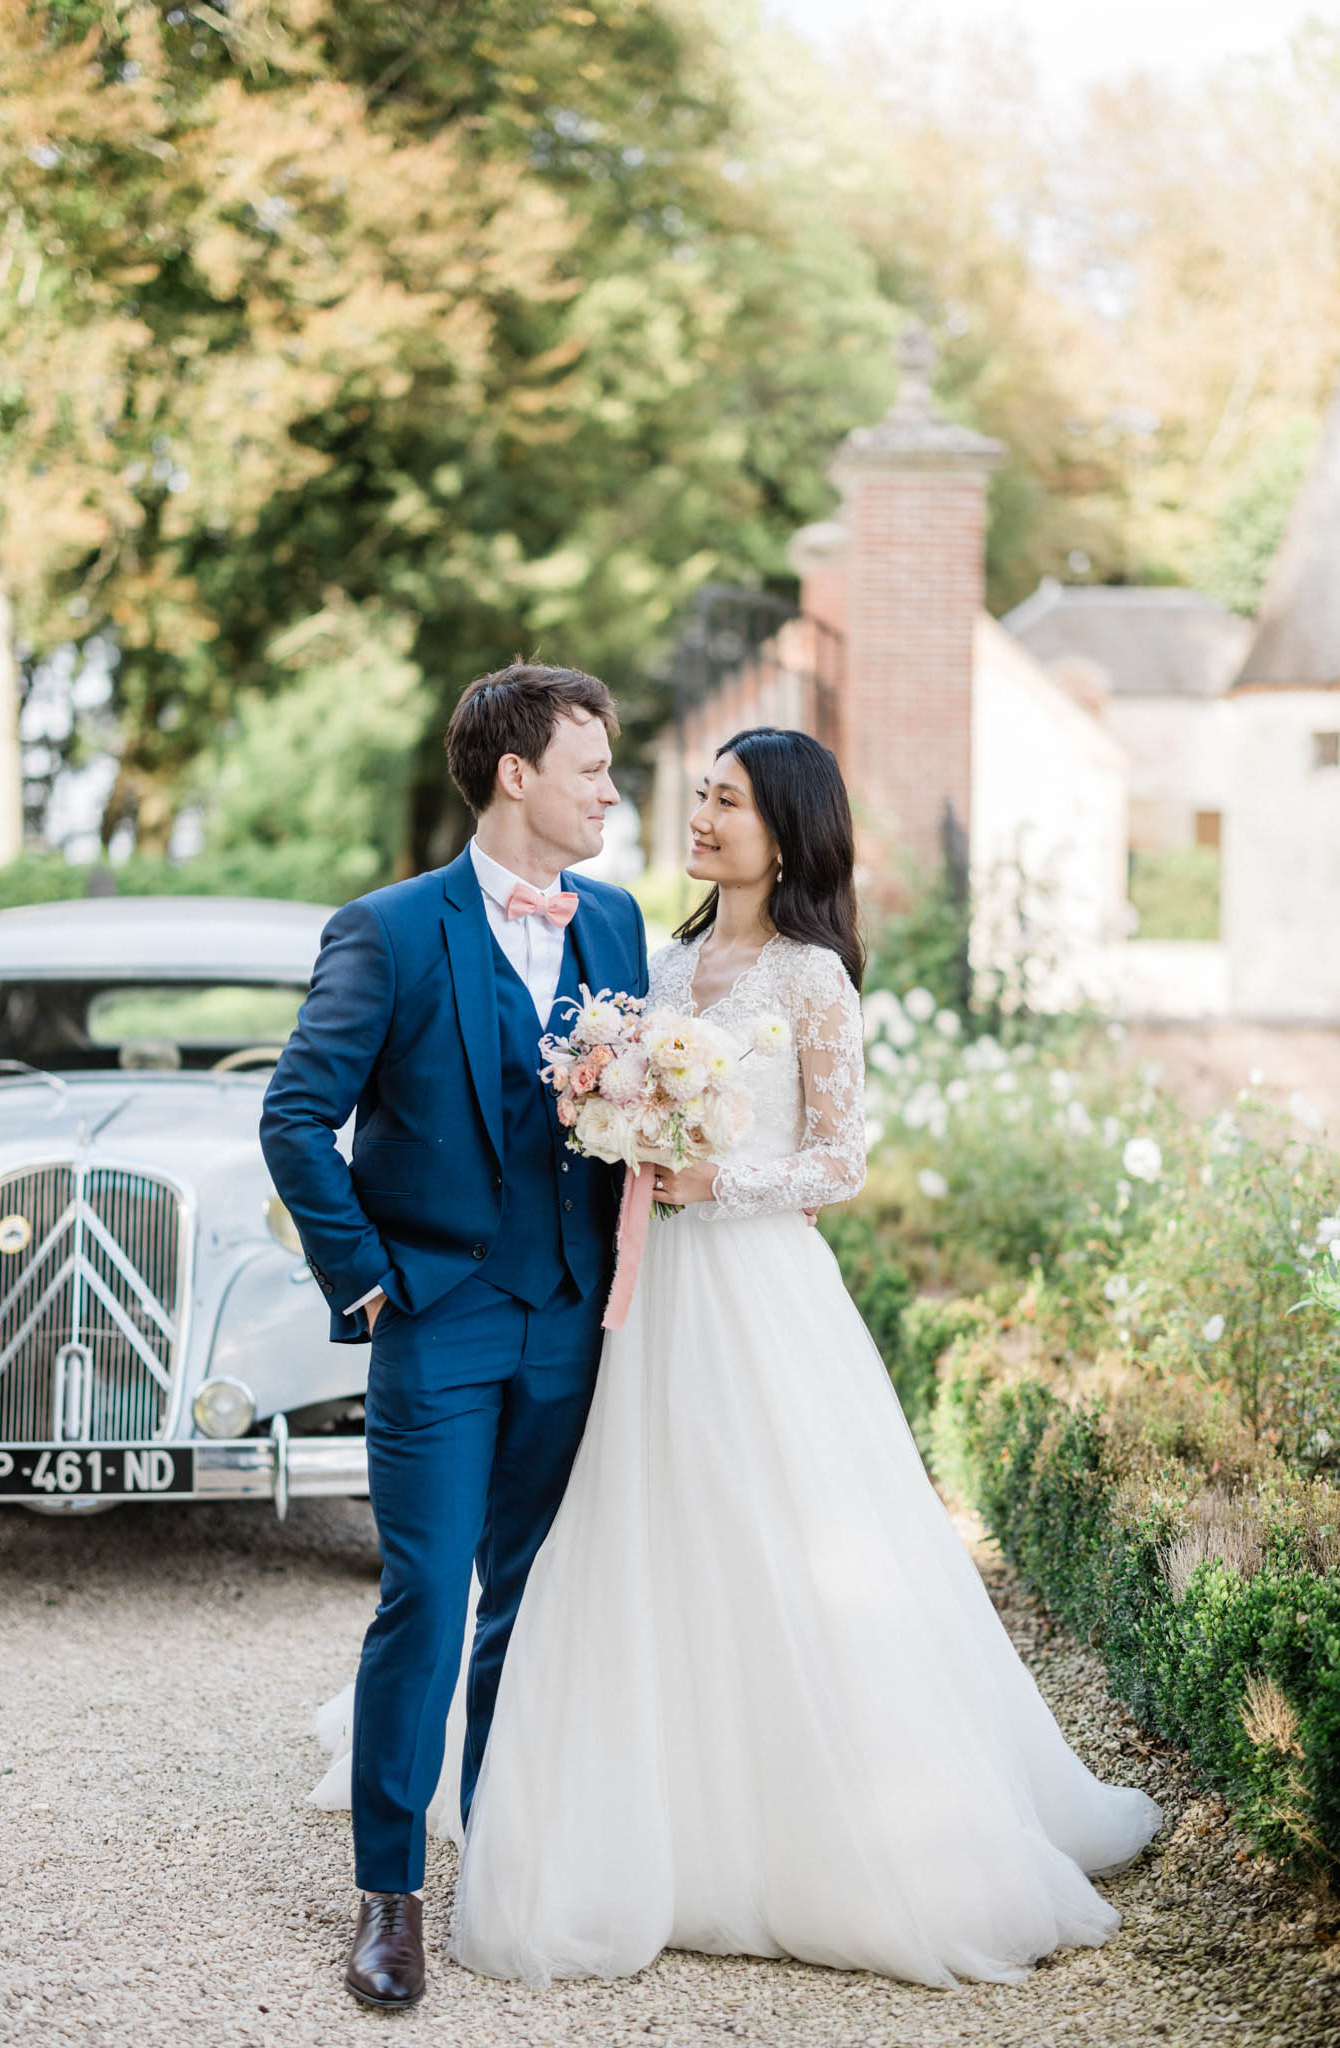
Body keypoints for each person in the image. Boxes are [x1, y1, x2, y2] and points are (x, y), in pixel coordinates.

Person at [439, 725, 1163, 1988]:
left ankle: (823, 1823)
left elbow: (841, 1159)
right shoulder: (654, 957)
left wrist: (716, 1180)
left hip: (758, 1288)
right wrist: (615, 1121)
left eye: (727, 801)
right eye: (704, 796)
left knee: (776, 1528)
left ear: (785, 828)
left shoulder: (813, 978)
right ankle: (651, 1811)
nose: (703, 816)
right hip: (644, 1294)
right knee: (637, 1532)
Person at [260, 662, 648, 2009]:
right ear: (516, 776)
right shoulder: (385, 929)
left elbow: (626, 1123)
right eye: (593, 768)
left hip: (567, 1321)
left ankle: (502, 1857)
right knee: (426, 1595)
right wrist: (364, 1278)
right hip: (435, 1321)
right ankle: (389, 1892)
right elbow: (293, 1117)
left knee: (528, 1604)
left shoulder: (616, 922)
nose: (614, 790)